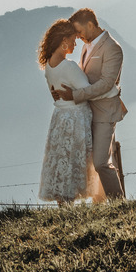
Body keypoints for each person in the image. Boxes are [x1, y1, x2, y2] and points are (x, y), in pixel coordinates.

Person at [54, 8, 127, 200]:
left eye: (79, 31)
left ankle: (119, 203)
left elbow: (106, 83)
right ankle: (103, 203)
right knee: (101, 161)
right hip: (88, 112)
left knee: (101, 163)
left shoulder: (113, 48)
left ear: (91, 25)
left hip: (105, 112)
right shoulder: (87, 47)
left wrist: (75, 95)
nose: (77, 36)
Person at [37, 19, 105, 205]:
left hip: (60, 117)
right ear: (64, 41)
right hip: (76, 118)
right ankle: (92, 200)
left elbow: (56, 93)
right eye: (74, 40)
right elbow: (87, 91)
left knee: (63, 160)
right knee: (76, 159)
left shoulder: (49, 65)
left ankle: (64, 204)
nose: (76, 44)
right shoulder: (69, 67)